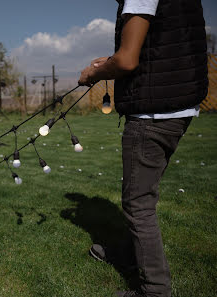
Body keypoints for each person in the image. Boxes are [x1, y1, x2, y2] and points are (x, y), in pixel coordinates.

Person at [78, 0, 208, 296]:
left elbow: (127, 61)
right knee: (144, 193)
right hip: (179, 107)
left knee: (138, 204)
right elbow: (157, 46)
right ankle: (133, 256)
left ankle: (155, 290)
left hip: (153, 115)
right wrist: (110, 60)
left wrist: (93, 75)